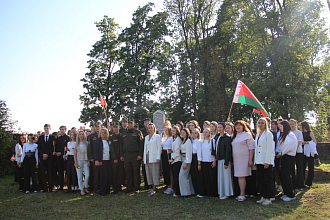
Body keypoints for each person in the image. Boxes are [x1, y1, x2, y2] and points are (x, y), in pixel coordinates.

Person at [232, 120, 255, 202]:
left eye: (239, 125)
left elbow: (251, 148)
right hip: (236, 159)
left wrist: (250, 160)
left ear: (243, 126)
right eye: (236, 125)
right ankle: (241, 192)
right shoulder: (234, 135)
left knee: (242, 176)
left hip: (244, 158)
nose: (237, 127)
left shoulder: (247, 135)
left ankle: (242, 194)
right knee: (239, 176)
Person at [254, 118, 275, 206]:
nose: (260, 125)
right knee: (261, 179)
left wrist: (267, 161)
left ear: (266, 124)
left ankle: (268, 197)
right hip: (259, 160)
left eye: (262, 123)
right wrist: (255, 160)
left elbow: (270, 148)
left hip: (266, 161)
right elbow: (256, 148)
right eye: (259, 123)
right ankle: (263, 196)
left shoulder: (268, 134)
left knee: (267, 180)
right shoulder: (258, 134)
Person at [277, 120, 298, 202]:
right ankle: (285, 192)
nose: (280, 128)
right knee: (282, 174)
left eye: (281, 127)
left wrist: (281, 153)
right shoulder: (283, 135)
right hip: (283, 156)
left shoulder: (290, 135)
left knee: (286, 174)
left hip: (289, 156)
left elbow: (289, 147)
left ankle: (290, 194)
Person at [120, 119, 144, 193]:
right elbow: (121, 145)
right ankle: (129, 187)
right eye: (128, 123)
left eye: (131, 123)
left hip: (135, 155)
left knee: (136, 171)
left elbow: (141, 145)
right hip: (126, 155)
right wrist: (121, 155)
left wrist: (140, 154)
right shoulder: (123, 133)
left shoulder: (138, 133)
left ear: (134, 124)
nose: (130, 125)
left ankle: (136, 187)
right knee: (128, 171)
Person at [94, 128, 117, 196]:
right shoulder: (98, 141)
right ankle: (102, 191)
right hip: (101, 161)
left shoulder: (108, 141)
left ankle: (107, 190)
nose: (103, 134)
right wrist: (96, 160)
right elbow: (95, 151)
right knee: (103, 176)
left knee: (109, 175)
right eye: (102, 132)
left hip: (108, 160)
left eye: (105, 132)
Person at [214, 122, 234, 200]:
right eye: (218, 127)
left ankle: (227, 193)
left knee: (226, 177)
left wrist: (226, 162)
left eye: (220, 127)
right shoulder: (218, 137)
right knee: (221, 177)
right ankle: (222, 192)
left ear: (224, 128)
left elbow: (228, 151)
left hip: (225, 160)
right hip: (219, 159)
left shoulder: (227, 137)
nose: (219, 129)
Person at [198, 128, 218, 197]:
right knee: (206, 178)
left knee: (212, 178)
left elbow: (215, 152)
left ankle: (213, 193)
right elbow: (199, 153)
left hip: (211, 161)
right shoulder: (201, 142)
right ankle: (208, 192)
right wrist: (199, 163)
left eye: (206, 132)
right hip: (204, 161)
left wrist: (214, 161)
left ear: (209, 133)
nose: (205, 133)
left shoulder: (213, 141)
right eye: (204, 132)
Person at [143, 123, 162, 195]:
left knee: (154, 172)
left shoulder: (157, 136)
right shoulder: (146, 137)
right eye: (149, 128)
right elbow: (145, 148)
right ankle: (151, 187)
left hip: (154, 157)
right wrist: (144, 158)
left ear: (154, 129)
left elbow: (159, 147)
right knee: (149, 172)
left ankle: (154, 188)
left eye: (151, 128)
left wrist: (158, 157)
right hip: (147, 156)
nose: (150, 129)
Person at [38, 124, 56, 192]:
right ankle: (44, 187)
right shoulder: (40, 138)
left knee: (50, 172)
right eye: (45, 128)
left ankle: (51, 187)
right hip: (43, 158)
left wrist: (47, 154)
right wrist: (43, 154)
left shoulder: (53, 137)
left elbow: (53, 147)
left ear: (50, 129)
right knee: (43, 172)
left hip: (50, 157)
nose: (46, 129)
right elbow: (39, 147)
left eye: (47, 128)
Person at [178, 128, 195, 197]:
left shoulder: (188, 141)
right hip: (182, 158)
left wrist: (186, 162)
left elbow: (188, 152)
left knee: (182, 176)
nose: (182, 134)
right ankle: (190, 191)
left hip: (186, 160)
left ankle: (185, 193)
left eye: (183, 133)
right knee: (187, 176)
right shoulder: (183, 141)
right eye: (181, 133)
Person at [301, 121, 317, 188]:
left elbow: (314, 141)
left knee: (310, 167)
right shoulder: (301, 133)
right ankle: (302, 181)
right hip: (303, 151)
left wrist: (308, 143)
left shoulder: (310, 133)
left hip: (309, 151)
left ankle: (309, 182)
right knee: (302, 167)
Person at [109, 122, 125, 193]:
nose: (115, 129)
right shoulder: (111, 137)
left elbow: (122, 147)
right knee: (114, 173)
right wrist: (114, 158)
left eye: (116, 127)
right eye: (114, 127)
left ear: (119, 128)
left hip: (121, 157)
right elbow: (111, 148)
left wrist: (121, 156)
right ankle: (115, 187)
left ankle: (120, 186)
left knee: (120, 172)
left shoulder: (122, 136)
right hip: (114, 158)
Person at [289, 119, 304, 190]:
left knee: (299, 168)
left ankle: (300, 184)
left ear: (295, 124)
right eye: (290, 124)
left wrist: (294, 150)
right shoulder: (288, 132)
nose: (291, 125)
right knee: (291, 169)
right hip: (291, 153)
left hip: (298, 152)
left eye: (293, 124)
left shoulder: (299, 132)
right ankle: (293, 184)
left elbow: (299, 142)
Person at [74, 130, 90, 196]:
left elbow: (89, 153)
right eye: (80, 134)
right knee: (79, 176)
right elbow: (74, 154)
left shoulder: (87, 143)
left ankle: (86, 187)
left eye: (82, 134)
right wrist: (75, 162)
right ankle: (81, 189)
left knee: (87, 175)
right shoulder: (76, 144)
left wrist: (89, 161)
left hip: (86, 161)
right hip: (79, 161)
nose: (81, 136)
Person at [87, 121, 101, 193]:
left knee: (101, 173)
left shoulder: (103, 135)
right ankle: (95, 187)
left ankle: (101, 186)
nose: (97, 128)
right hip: (94, 158)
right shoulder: (91, 136)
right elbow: (90, 148)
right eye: (96, 127)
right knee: (95, 173)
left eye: (98, 126)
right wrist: (91, 157)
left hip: (102, 158)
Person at [54, 125, 70, 190]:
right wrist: (57, 153)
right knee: (60, 172)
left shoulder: (68, 138)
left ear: (65, 130)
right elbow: (56, 147)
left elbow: (68, 148)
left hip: (65, 157)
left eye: (63, 129)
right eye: (61, 129)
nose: (62, 130)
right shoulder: (58, 138)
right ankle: (61, 186)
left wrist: (63, 153)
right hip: (59, 158)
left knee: (67, 172)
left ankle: (69, 185)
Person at [169, 125, 182, 197]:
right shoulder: (173, 139)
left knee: (176, 176)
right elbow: (172, 149)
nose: (172, 132)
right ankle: (176, 190)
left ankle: (178, 191)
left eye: (174, 131)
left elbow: (177, 151)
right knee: (174, 176)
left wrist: (172, 159)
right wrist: (169, 154)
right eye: (172, 131)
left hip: (176, 160)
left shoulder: (178, 139)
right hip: (173, 159)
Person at [190, 128, 204, 197]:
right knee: (193, 175)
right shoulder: (192, 141)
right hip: (192, 158)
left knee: (198, 175)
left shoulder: (198, 142)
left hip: (196, 158)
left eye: (195, 133)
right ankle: (195, 191)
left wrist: (199, 163)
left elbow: (199, 153)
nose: (193, 134)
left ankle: (200, 191)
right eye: (192, 133)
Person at [162, 126, 174, 194]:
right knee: (165, 170)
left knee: (170, 170)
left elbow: (172, 148)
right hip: (163, 154)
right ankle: (167, 184)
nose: (165, 131)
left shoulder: (171, 138)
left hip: (168, 154)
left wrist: (169, 153)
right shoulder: (164, 138)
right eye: (164, 130)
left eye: (166, 130)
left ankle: (171, 186)